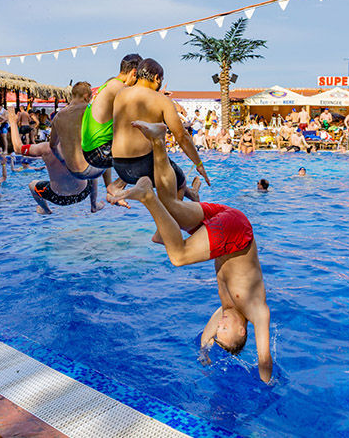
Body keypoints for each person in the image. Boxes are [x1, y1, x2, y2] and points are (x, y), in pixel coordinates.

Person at [114, 121, 272, 383]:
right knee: (179, 256)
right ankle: (146, 195)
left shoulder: (227, 308)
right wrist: (268, 387)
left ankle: (158, 141)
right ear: (243, 331)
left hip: (227, 220)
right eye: (225, 329)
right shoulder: (257, 311)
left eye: (219, 328)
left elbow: (207, 335)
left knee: (170, 206)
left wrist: (204, 353)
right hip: (237, 233)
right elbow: (264, 359)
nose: (220, 324)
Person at [111, 58, 208, 200]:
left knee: (171, 175)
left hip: (119, 166)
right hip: (144, 165)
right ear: (157, 78)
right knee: (179, 182)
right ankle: (176, 218)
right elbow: (182, 137)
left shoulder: (120, 95)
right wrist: (199, 164)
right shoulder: (162, 101)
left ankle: (192, 193)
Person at [9, 108, 99, 214]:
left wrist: (13, 123)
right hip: (83, 192)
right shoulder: (81, 145)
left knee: (32, 185)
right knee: (92, 174)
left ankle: (46, 210)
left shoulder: (46, 148)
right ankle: (94, 205)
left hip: (57, 197)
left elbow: (18, 148)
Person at [47, 82, 108, 212]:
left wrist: (63, 160)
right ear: (86, 96)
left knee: (93, 157)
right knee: (106, 148)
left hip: (72, 171)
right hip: (90, 169)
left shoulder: (58, 116)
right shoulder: (90, 110)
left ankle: (94, 204)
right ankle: (111, 191)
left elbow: (52, 146)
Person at [81, 54, 142, 172]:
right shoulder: (118, 86)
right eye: (138, 79)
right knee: (148, 153)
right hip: (100, 152)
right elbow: (143, 101)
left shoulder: (109, 84)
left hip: (92, 150)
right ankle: (116, 187)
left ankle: (120, 186)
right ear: (134, 73)